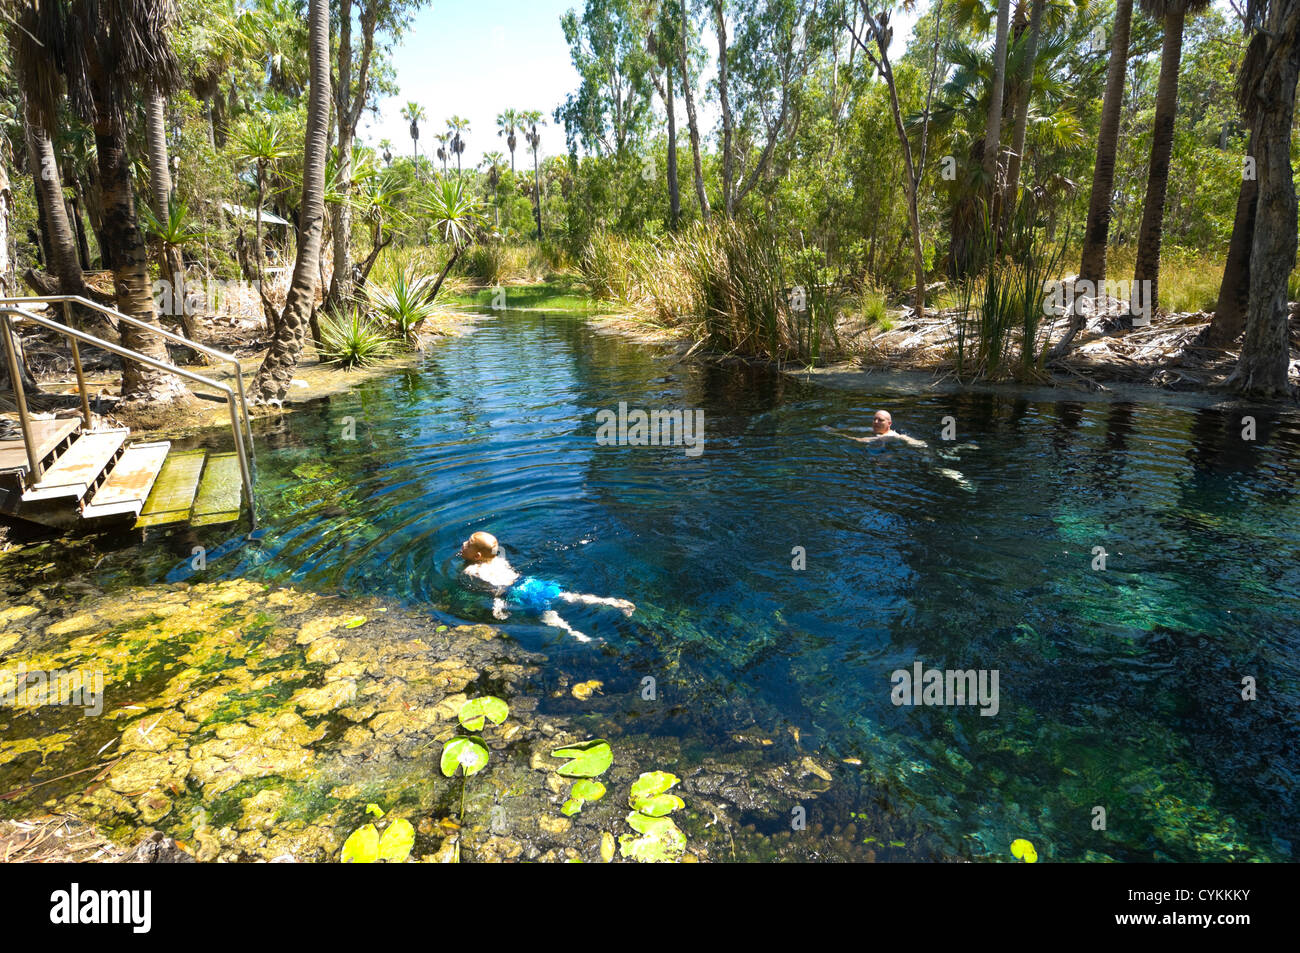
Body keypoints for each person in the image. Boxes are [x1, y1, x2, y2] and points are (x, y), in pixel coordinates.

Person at [458, 531, 634, 642]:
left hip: (517, 593)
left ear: (477, 556)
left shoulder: (473, 571)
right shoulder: (500, 560)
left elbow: (494, 589)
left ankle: (580, 637)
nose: (463, 544)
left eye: (467, 544)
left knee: (550, 616)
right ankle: (612, 602)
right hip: (530, 582)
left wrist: (499, 604)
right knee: (569, 596)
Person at [832, 410, 928, 448]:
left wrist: (837, 435)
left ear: (889, 423)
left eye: (880, 420)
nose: (875, 422)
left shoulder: (888, 436)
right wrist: (834, 430)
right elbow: (858, 428)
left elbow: (861, 440)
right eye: (874, 419)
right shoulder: (876, 429)